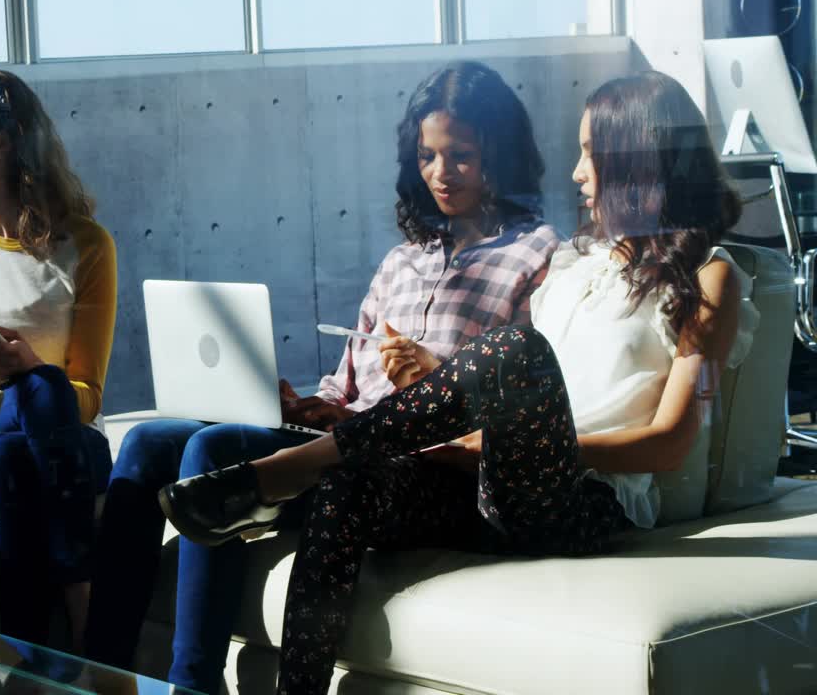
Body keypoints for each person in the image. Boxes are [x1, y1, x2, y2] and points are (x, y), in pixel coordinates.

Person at [161, 71, 754, 695]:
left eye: (589, 153)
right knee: (349, 485)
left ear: (637, 159)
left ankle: (288, 467)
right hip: (498, 483)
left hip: (586, 503)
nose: (578, 173)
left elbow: (670, 442)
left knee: (518, 347)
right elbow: (504, 393)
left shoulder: (710, 277)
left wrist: (513, 444)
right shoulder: (579, 266)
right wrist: (469, 435)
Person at [85, 61, 561, 692]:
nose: (440, 174)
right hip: (338, 439)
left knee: (211, 449)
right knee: (147, 444)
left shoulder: (536, 255)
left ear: (499, 154)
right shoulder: (401, 262)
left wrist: (435, 372)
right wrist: (308, 406)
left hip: (413, 465)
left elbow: (524, 399)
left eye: (461, 156)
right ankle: (99, 670)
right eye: (426, 156)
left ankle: (190, 685)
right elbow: (346, 385)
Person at [0, 62, 117, 653]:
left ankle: (28, 658)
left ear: (1, 146)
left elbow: (86, 395)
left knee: (22, 438)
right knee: (21, 427)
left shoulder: (85, 247)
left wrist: (27, 373)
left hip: (50, 438)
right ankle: (84, 610)